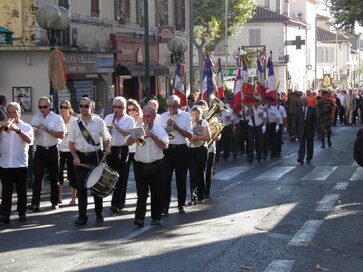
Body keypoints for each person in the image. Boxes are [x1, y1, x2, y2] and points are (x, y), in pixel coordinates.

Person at [68, 97, 112, 225]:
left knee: (96, 187)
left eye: (86, 106)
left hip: (95, 156)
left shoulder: (99, 121)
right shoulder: (74, 123)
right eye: (81, 106)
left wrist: (108, 148)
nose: (83, 108)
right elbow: (71, 144)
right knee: (81, 188)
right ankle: (82, 216)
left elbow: (107, 138)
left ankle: (99, 213)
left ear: (91, 107)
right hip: (81, 157)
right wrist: (75, 157)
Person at [127, 106, 169, 227]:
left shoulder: (160, 130)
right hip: (140, 165)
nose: (145, 119)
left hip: (157, 165)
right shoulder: (138, 128)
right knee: (141, 194)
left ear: (154, 117)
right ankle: (139, 218)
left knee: (156, 193)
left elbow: (164, 145)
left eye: (148, 116)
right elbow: (128, 143)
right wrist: (134, 135)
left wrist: (152, 136)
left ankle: (156, 217)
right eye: (144, 116)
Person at [28, 97, 66, 212]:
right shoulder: (35, 118)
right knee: (37, 176)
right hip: (40, 149)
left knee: (54, 176)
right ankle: (35, 203)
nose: (42, 109)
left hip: (52, 149)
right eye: (40, 107)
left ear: (50, 106)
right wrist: (34, 133)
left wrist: (47, 130)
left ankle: (54, 201)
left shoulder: (57, 118)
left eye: (44, 107)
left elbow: (62, 135)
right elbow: (30, 136)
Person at [0, 102, 33, 224]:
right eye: (9, 112)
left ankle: (22, 212)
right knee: (6, 191)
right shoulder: (3, 126)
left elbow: (29, 140)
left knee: (21, 190)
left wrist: (17, 130)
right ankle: (5, 214)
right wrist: (4, 128)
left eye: (15, 112)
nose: (12, 115)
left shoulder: (26, 127)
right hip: (4, 164)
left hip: (20, 164)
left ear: (20, 113)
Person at [160, 95, 192, 215]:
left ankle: (181, 204)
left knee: (181, 178)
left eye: (174, 106)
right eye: (169, 106)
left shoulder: (186, 116)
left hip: (181, 148)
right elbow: (161, 133)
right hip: (167, 149)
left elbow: (189, 135)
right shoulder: (163, 116)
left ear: (178, 105)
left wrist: (176, 128)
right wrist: (168, 127)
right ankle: (164, 207)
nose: (171, 109)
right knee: (165, 179)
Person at [104, 96, 135, 213]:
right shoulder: (108, 118)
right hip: (111, 148)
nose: (116, 109)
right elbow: (103, 134)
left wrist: (118, 128)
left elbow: (129, 134)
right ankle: (120, 200)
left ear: (124, 108)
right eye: (115, 107)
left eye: (119, 107)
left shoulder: (129, 120)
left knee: (121, 175)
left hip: (123, 148)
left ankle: (116, 202)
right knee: (112, 175)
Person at [123, 99, 143, 210]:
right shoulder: (126, 120)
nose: (131, 111)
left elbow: (140, 133)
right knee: (124, 175)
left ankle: (141, 197)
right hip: (127, 148)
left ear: (137, 108)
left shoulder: (141, 119)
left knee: (138, 175)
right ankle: (122, 199)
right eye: (129, 109)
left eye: (133, 109)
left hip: (137, 149)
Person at [188, 106, 211, 205]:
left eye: (196, 114)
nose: (194, 116)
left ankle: (201, 196)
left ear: (200, 114)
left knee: (201, 173)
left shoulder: (204, 122)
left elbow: (208, 137)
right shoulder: (189, 123)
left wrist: (195, 137)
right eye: (193, 114)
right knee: (192, 173)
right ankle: (193, 197)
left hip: (201, 149)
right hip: (192, 149)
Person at [58, 100, 78, 205]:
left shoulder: (74, 120)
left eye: (66, 107)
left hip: (71, 150)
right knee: (59, 174)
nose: (63, 109)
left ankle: (73, 198)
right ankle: (59, 198)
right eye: (61, 107)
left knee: (72, 175)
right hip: (59, 149)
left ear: (69, 109)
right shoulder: (57, 119)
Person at [296, 96, 317, 165]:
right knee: (301, 145)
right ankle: (300, 158)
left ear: (307, 101)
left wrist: (316, 130)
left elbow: (315, 120)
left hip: (310, 130)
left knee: (310, 145)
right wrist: (296, 131)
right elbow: (296, 121)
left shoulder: (312, 109)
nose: (304, 102)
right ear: (301, 102)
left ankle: (309, 158)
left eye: (305, 100)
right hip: (301, 130)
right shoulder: (298, 110)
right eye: (303, 100)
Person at [246, 97, 266, 163]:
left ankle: (259, 156)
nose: (256, 103)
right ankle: (250, 156)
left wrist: (264, 125)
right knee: (251, 142)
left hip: (259, 127)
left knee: (259, 142)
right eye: (255, 102)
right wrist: (249, 110)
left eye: (257, 102)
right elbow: (246, 115)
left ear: (259, 103)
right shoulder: (250, 108)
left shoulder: (262, 109)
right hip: (251, 127)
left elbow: (264, 117)